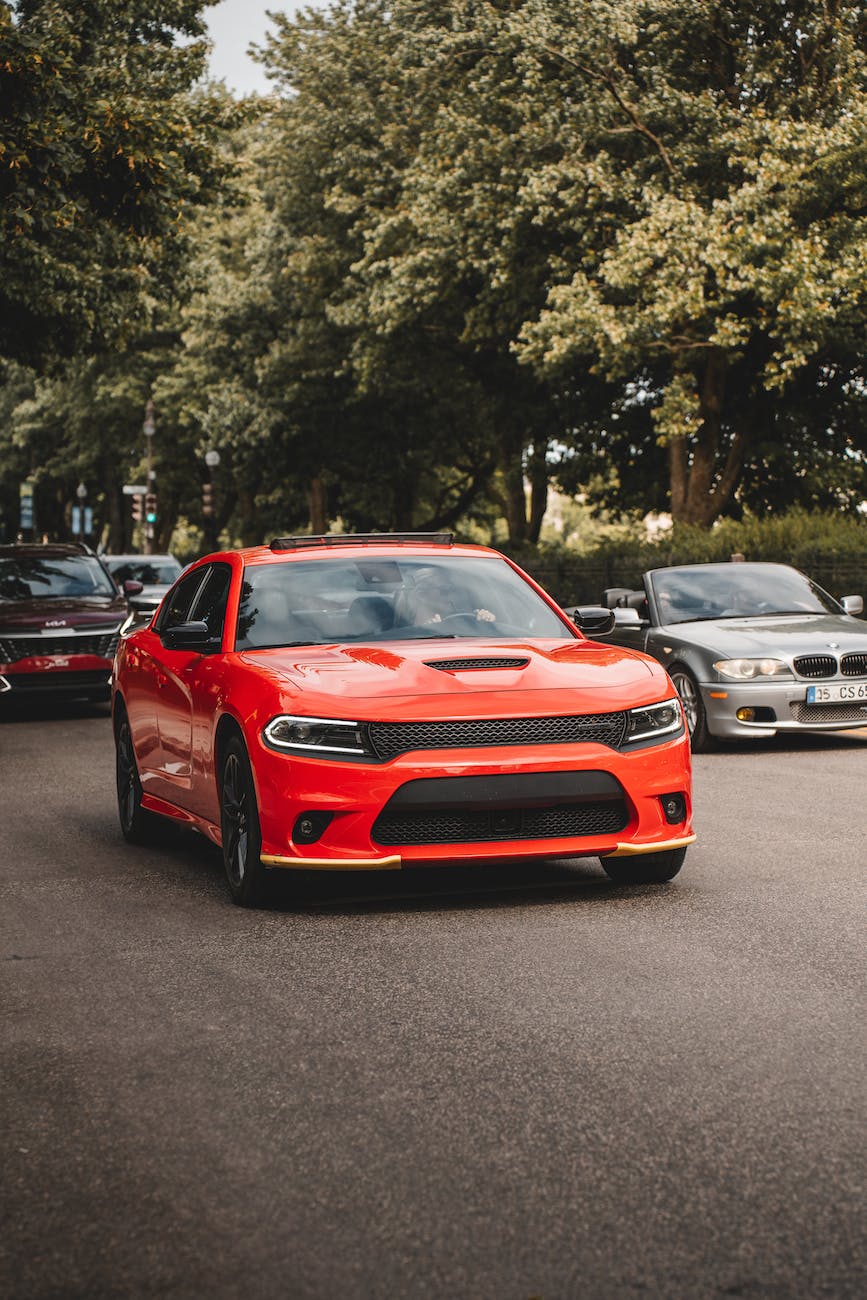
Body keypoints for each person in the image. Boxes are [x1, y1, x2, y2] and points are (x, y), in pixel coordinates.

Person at [400, 567, 495, 627]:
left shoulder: (462, 624)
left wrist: (488, 623)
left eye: (454, 589)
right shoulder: (401, 636)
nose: (452, 596)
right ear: (422, 595)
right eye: (445, 590)